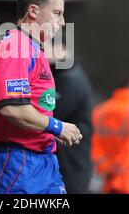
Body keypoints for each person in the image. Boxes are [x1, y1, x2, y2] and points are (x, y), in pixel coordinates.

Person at [0, 0, 82, 194]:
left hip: (41, 161)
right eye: (57, 13)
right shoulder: (16, 47)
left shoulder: (35, 50)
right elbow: (13, 109)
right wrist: (58, 126)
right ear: (33, 11)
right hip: (16, 162)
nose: (62, 22)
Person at [49, 33, 95, 194]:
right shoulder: (60, 74)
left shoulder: (71, 79)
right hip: (66, 160)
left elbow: (51, 114)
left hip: (72, 162)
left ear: (61, 49)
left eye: (46, 47)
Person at [91, 75, 129, 194]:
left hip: (107, 181)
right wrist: (117, 168)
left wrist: (106, 167)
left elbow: (94, 144)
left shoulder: (101, 110)